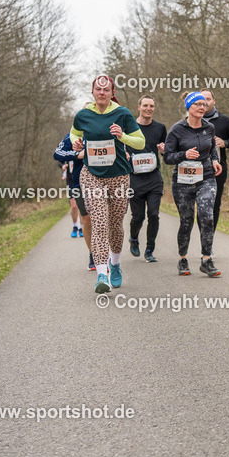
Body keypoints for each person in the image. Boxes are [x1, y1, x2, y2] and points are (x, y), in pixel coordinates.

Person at [70, 75, 146, 294]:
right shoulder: (83, 115)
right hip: (91, 175)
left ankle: (114, 263)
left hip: (119, 176)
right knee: (99, 222)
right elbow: (74, 134)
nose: (101, 93)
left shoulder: (122, 114)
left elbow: (140, 142)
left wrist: (122, 136)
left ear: (112, 92)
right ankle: (101, 274)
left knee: (115, 225)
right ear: (92, 91)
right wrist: (75, 142)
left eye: (106, 89)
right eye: (97, 89)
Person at [163, 91, 222, 278]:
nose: (202, 108)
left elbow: (212, 148)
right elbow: (167, 158)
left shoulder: (210, 127)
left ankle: (206, 260)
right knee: (186, 221)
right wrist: (184, 155)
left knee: (206, 216)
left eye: (204, 105)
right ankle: (182, 258)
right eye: (197, 104)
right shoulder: (176, 130)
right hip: (183, 181)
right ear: (188, 107)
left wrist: (214, 160)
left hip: (206, 177)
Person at [127, 95, 167, 263]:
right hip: (134, 179)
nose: (148, 108)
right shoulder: (129, 128)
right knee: (138, 217)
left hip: (153, 179)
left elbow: (167, 152)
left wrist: (164, 150)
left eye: (151, 106)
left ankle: (150, 249)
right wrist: (124, 154)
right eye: (145, 105)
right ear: (139, 107)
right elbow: (119, 147)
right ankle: (134, 238)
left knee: (154, 214)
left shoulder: (160, 128)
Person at [200, 89, 229, 230]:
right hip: (196, 169)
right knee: (201, 205)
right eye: (202, 100)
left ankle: (208, 241)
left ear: (214, 101)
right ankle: (203, 237)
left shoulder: (224, 120)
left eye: (208, 99)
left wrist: (225, 143)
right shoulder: (191, 120)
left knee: (213, 204)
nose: (205, 102)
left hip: (217, 169)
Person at [54, 133, 94, 270]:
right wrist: (74, 156)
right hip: (74, 180)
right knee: (79, 211)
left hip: (101, 181)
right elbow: (58, 156)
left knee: (102, 219)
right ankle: (92, 253)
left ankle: (107, 255)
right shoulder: (71, 137)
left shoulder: (102, 130)